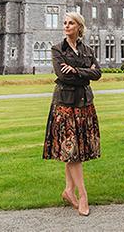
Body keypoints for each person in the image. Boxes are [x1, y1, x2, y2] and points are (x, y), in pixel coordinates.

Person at [43, 12, 102, 217]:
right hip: (65, 105)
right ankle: (83, 195)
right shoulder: (57, 49)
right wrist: (86, 72)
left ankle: (69, 190)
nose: (66, 26)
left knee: (76, 151)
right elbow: (62, 75)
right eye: (65, 23)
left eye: (71, 23)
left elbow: (98, 74)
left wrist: (76, 71)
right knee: (72, 150)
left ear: (79, 27)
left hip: (84, 103)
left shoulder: (87, 50)